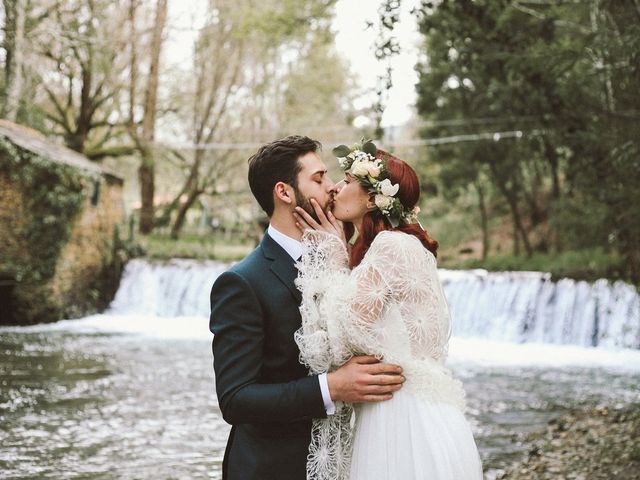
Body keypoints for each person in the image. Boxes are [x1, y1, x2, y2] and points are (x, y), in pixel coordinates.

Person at [209, 135, 406, 480]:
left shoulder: (353, 263)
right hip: (273, 468)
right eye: (318, 179)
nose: (332, 188)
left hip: (350, 461)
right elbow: (236, 399)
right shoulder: (242, 283)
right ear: (284, 192)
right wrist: (331, 387)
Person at [293, 140, 483, 480]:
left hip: (405, 424)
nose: (335, 188)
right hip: (409, 410)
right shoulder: (396, 245)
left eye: (347, 180)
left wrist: (332, 257)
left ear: (371, 198)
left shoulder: (391, 244)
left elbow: (346, 337)